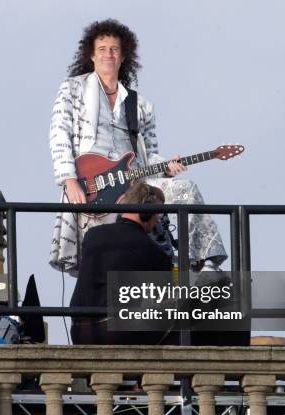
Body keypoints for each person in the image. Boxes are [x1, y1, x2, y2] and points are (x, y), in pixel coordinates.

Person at [49, 19, 227, 276]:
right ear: (91, 54)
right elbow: (59, 133)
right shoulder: (72, 89)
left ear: (123, 56)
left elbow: (148, 154)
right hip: (91, 185)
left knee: (185, 190)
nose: (108, 54)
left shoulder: (140, 104)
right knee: (102, 259)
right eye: (102, 49)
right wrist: (69, 180)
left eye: (114, 49)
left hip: (133, 184)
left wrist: (166, 168)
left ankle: (206, 264)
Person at [70, 182, 180, 345]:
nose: (157, 222)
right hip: (117, 333)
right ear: (145, 212)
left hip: (80, 332)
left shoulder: (92, 235)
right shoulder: (151, 249)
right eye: (157, 215)